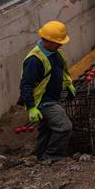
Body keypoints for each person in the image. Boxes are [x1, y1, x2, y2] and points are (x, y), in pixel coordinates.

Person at [19, 20, 76, 164]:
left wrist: (68, 85)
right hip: (44, 102)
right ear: (48, 41)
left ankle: (41, 158)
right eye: (58, 42)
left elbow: (59, 72)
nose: (60, 45)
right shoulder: (34, 60)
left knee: (46, 130)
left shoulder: (55, 53)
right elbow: (26, 85)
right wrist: (31, 107)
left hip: (53, 98)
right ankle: (53, 156)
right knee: (64, 127)